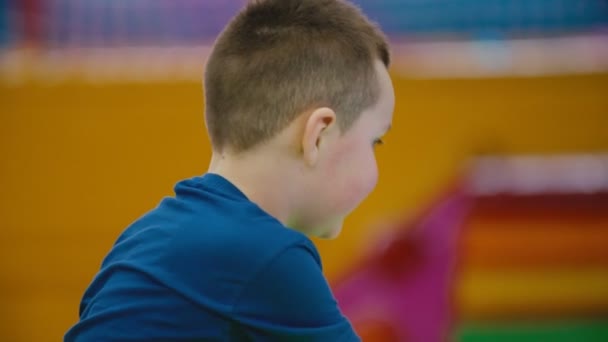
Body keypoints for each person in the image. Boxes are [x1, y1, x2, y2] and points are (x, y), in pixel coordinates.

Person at [65, 0, 394, 340]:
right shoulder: (269, 257)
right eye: (375, 141)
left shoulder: (144, 235)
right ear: (319, 136)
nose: (375, 164)